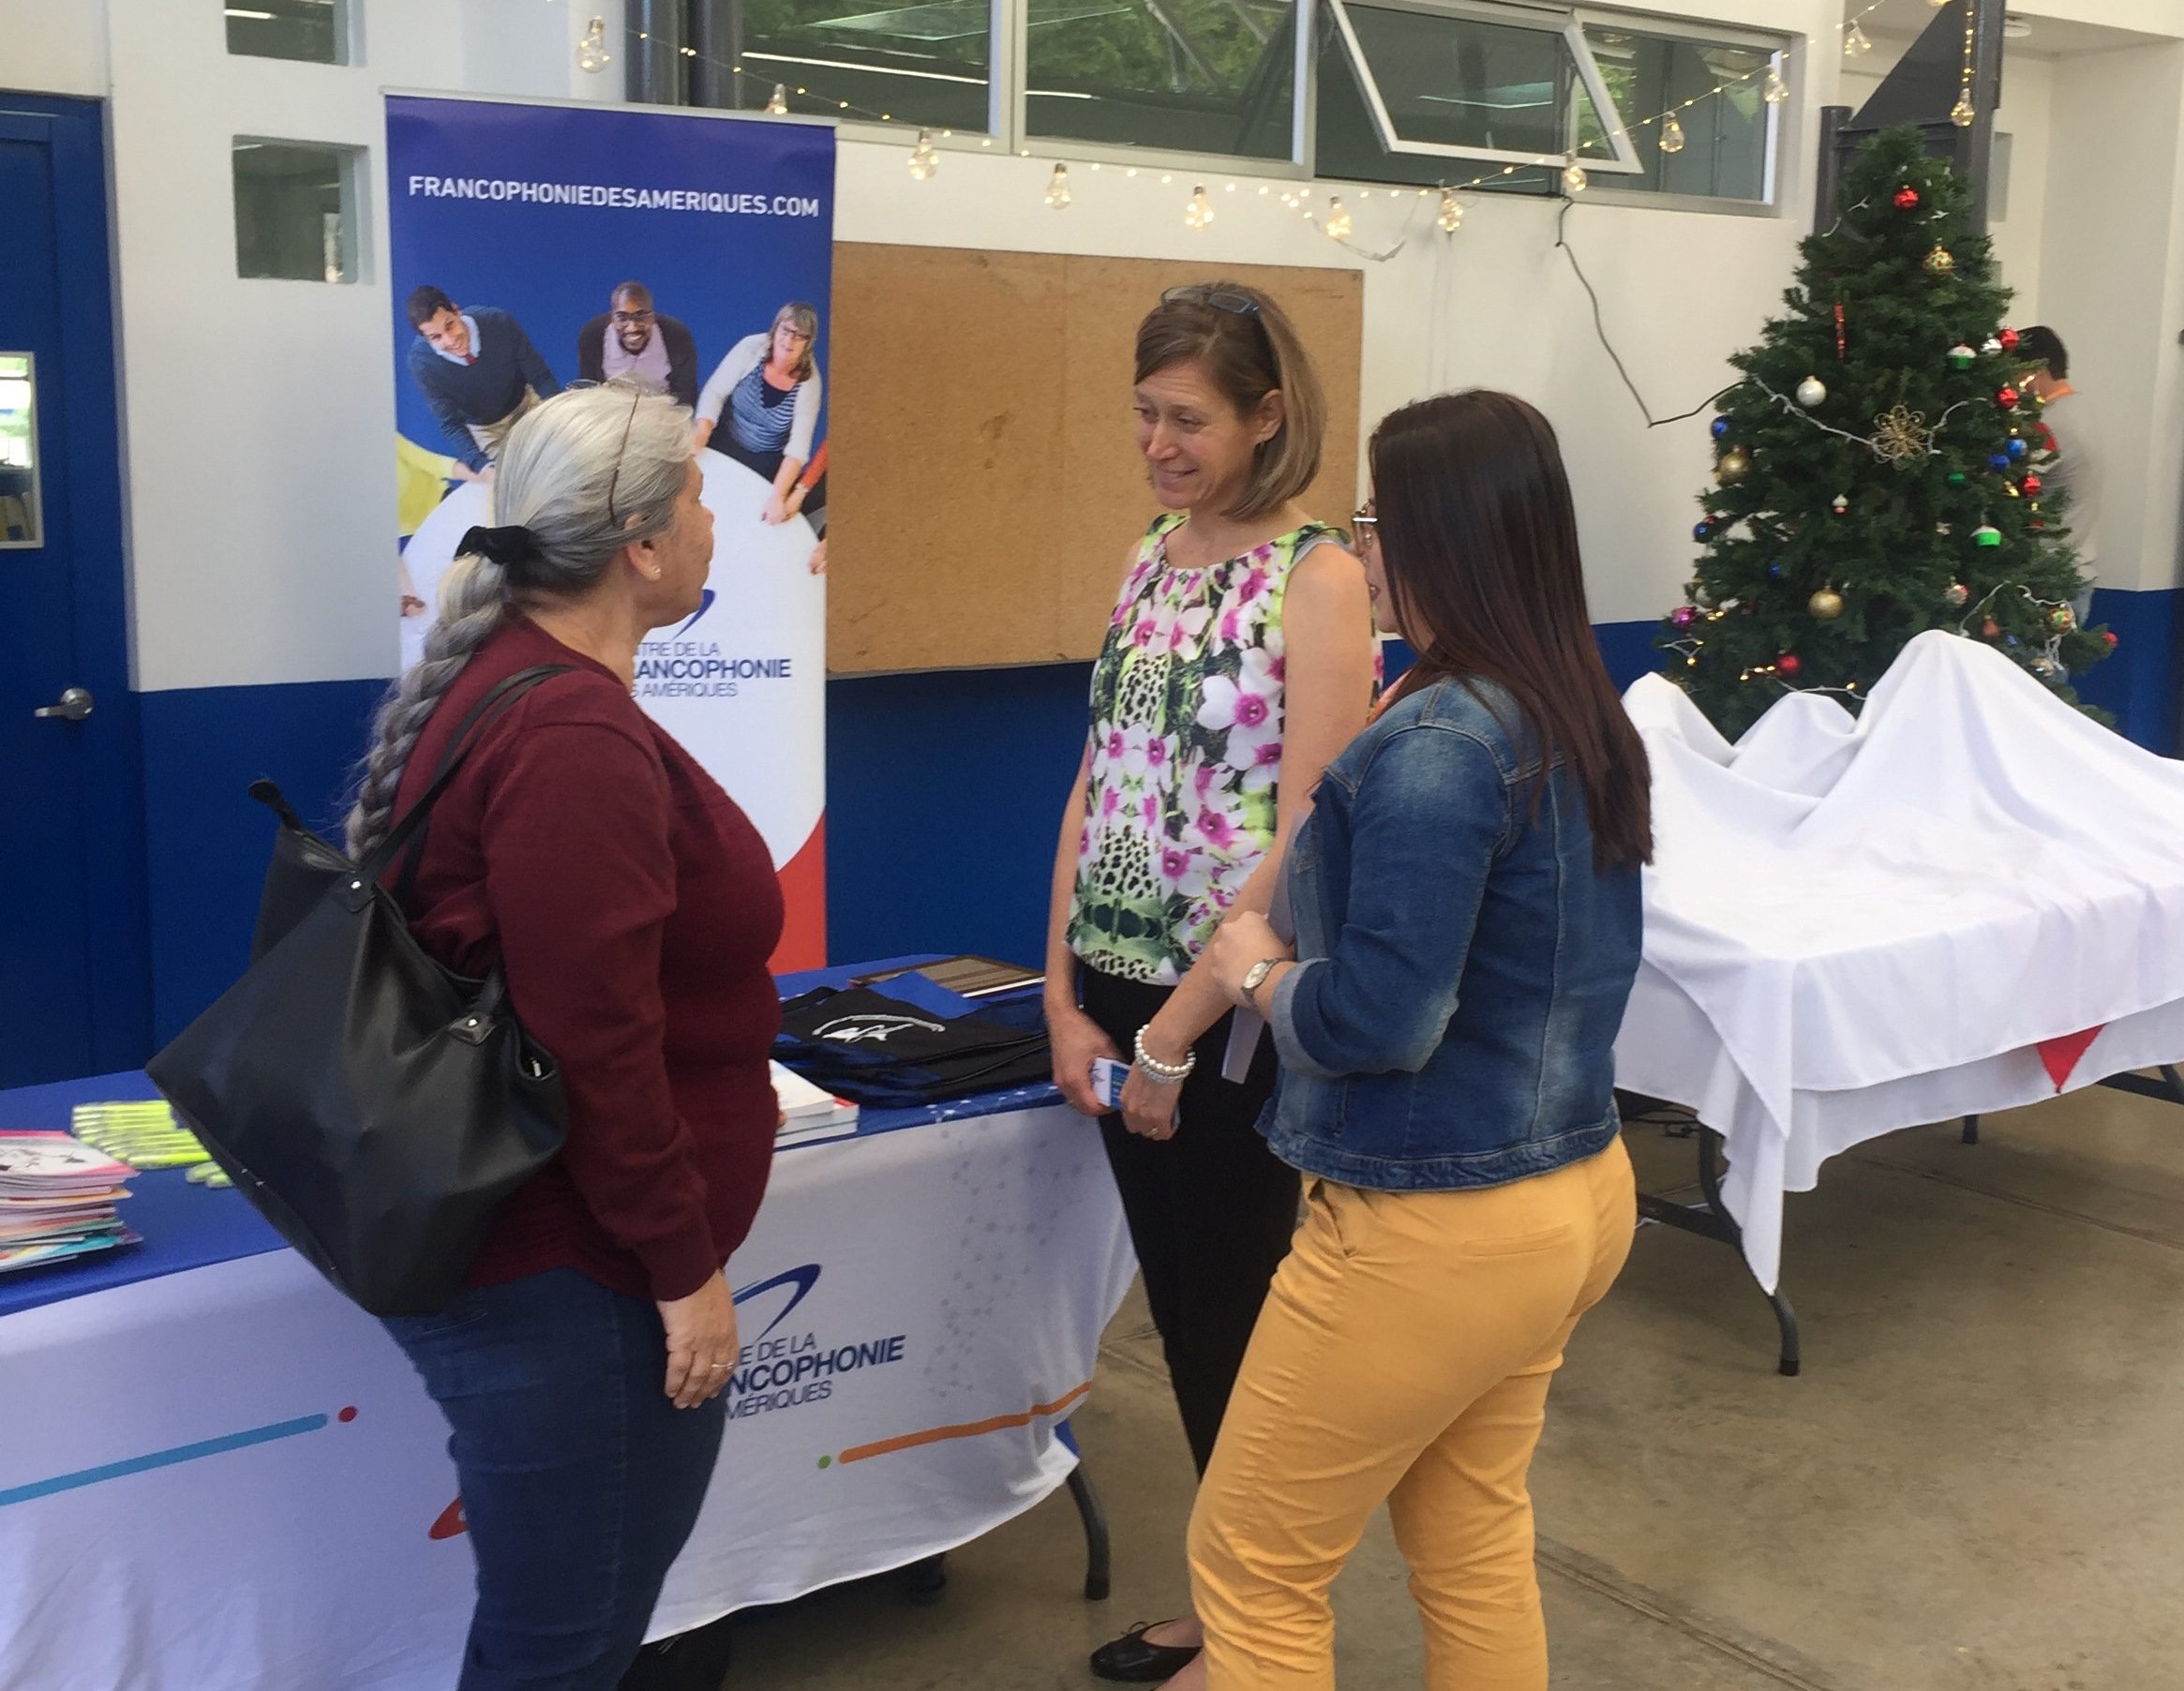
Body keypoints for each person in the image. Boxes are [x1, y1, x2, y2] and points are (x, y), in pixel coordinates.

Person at [1181, 389, 1650, 1691]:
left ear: (1439, 536)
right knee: (1467, 1529)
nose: (1359, 548)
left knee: (1251, 1569)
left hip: (1438, 1224)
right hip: (1569, 1196)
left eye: (1376, 519)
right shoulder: (1571, 708)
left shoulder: (1442, 742)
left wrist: (1257, 971)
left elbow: (1377, 1022)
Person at [346, 380, 782, 1690]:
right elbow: (593, 1043)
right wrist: (681, 1265)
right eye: (701, 497)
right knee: (566, 1643)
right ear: (644, 547)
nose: (717, 520)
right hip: (572, 1270)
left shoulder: (519, 684)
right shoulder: (571, 733)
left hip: (554, 1254)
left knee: (562, 1630)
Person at [1043, 282, 1377, 1684]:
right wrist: (1060, 992)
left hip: (1222, 1012)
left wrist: (1173, 1033)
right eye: (1143, 412)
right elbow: (1097, 774)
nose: (1158, 441)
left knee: (1240, 1322)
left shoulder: (1317, 577)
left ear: (1265, 417)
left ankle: (1257, 1631)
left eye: (1186, 418)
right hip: (1115, 991)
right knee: (1182, 1318)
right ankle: (1226, 1601)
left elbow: (1303, 833)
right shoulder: (1149, 553)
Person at [405, 285, 561, 481]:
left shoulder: (498, 322)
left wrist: (561, 417)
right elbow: (450, 424)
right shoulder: (422, 363)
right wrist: (482, 467)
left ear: (456, 310)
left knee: (560, 459)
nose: (451, 340)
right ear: (425, 339)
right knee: (518, 481)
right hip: (485, 431)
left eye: (450, 325)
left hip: (526, 404)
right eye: (436, 337)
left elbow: (541, 377)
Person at [694, 303, 825, 529]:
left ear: (808, 343)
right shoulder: (751, 347)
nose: (789, 340)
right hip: (723, 439)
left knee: (741, 521)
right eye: (786, 330)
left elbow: (797, 450)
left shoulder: (810, 382)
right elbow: (715, 392)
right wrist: (701, 432)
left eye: (800, 336)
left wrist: (777, 496)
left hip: (765, 461)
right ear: (776, 329)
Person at [2019, 325, 2101, 617]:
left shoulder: (2049, 423)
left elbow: (2006, 480)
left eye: (2017, 375)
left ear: (2038, 369)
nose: (2013, 387)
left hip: (2048, 579)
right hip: (2077, 570)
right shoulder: (2080, 409)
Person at [576, 279, 701, 412]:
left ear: (652, 317)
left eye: (640, 316)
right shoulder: (592, 336)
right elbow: (589, 392)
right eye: (622, 317)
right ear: (612, 317)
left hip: (663, 417)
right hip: (611, 416)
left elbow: (686, 395)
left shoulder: (676, 336)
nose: (632, 328)